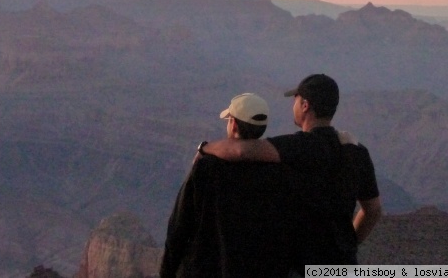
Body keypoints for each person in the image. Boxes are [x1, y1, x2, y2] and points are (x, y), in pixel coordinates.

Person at [201, 74, 382, 270]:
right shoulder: (356, 152)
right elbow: (372, 210)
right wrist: (349, 244)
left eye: (295, 100)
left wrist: (205, 148)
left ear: (305, 105)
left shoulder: (297, 147)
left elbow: (241, 150)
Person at [159, 93, 294, 278]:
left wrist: (167, 271)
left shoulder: (207, 168)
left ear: (234, 124)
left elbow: (179, 226)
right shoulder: (279, 173)